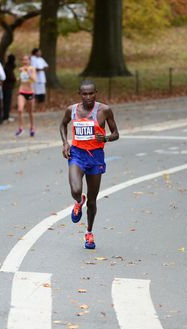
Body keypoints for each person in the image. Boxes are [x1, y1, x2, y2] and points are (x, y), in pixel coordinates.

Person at [59, 80, 119, 249]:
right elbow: (63, 125)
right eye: (84, 94)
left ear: (96, 93)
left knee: (92, 201)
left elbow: (116, 133)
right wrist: (65, 143)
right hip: (77, 154)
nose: (88, 97)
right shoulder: (71, 110)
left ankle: (89, 233)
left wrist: (106, 138)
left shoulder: (104, 110)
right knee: (75, 190)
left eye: (91, 93)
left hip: (96, 157)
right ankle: (78, 201)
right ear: (80, 94)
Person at [16, 55, 36, 137]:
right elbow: (21, 80)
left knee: (30, 112)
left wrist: (27, 72)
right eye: (23, 60)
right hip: (22, 91)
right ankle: (21, 128)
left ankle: (32, 127)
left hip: (30, 92)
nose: (24, 61)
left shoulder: (32, 69)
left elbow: (34, 79)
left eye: (26, 60)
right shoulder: (21, 69)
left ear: (29, 61)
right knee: (20, 109)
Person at [3, 54, 16, 122]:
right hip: (8, 87)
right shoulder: (8, 68)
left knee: (7, 101)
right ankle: (6, 116)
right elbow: (11, 77)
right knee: (7, 102)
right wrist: (15, 79)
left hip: (7, 86)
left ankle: (6, 115)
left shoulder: (7, 67)